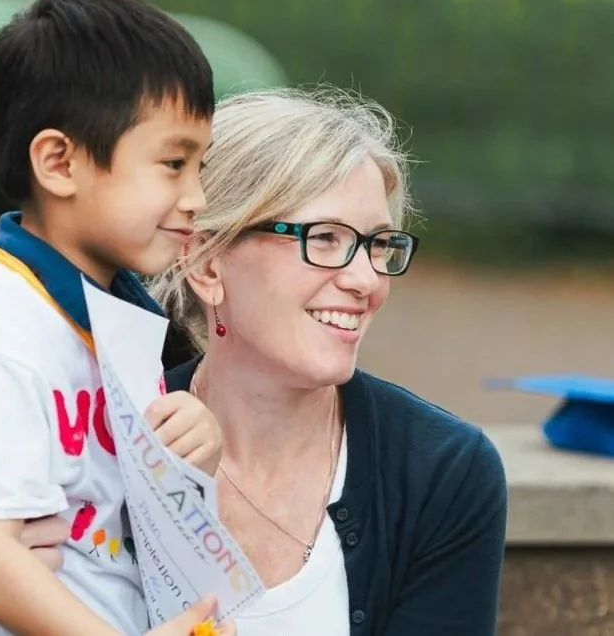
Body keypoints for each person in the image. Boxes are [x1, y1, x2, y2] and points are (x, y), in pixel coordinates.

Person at [150, 87, 508, 635]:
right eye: (324, 238)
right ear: (206, 264)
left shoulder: (440, 471)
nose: (366, 280)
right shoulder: (107, 441)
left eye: (378, 244)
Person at [0, 0, 230, 636]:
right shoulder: (0, 334)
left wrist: (193, 461)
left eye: (200, 166)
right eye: (173, 163)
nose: (197, 196)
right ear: (59, 162)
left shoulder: (108, 317)